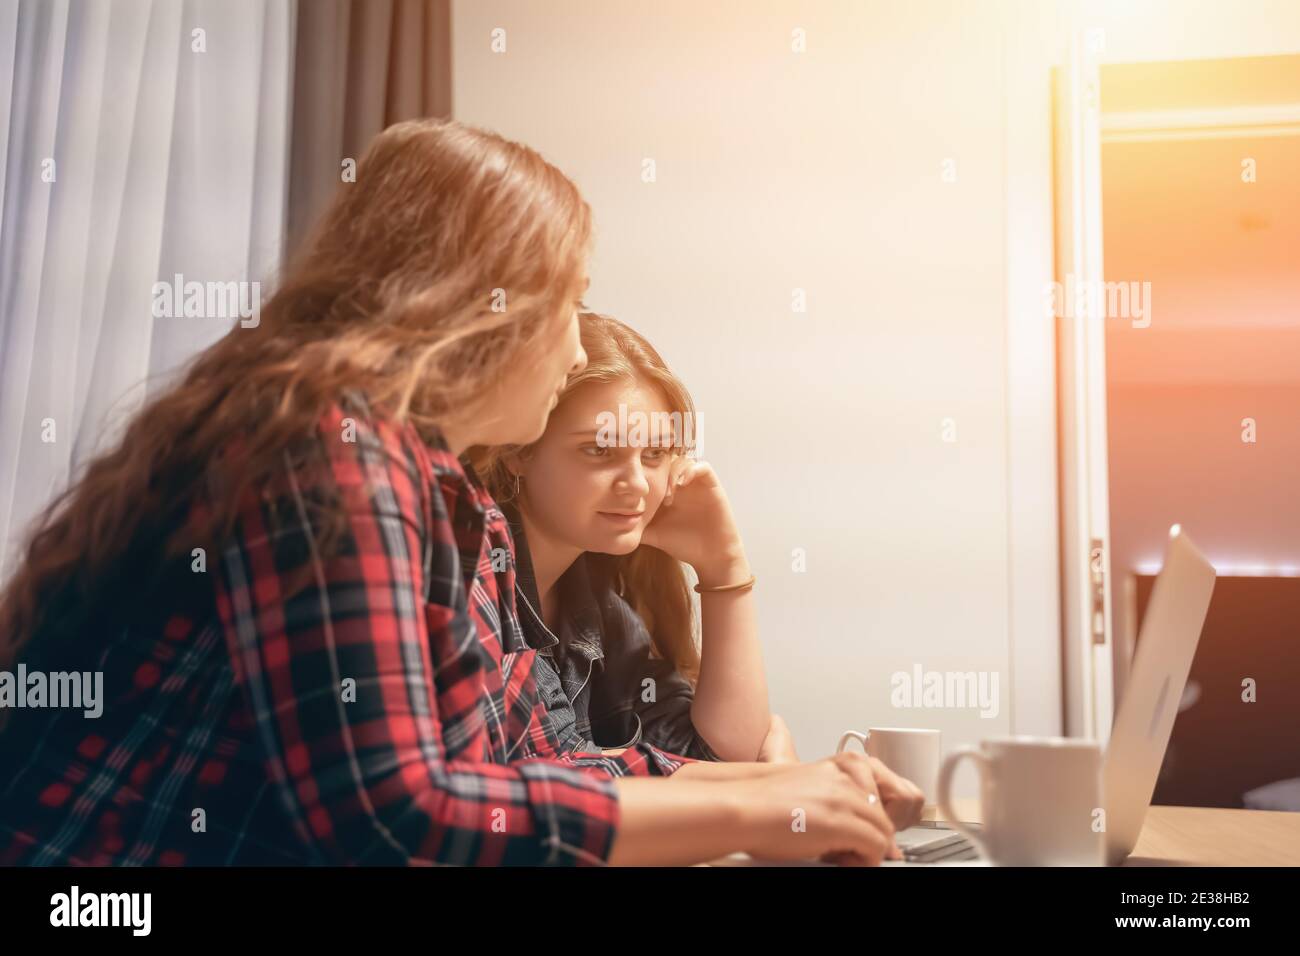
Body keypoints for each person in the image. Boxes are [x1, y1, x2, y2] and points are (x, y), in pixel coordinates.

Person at [0, 119, 915, 866]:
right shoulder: (330, 453)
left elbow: (527, 764)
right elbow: (397, 812)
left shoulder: (443, 497)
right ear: (486, 308)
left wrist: (786, 790)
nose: (569, 351)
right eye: (564, 307)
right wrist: (758, 817)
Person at [474, 312, 794, 765]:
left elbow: (722, 753)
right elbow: (573, 781)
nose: (638, 484)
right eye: (599, 450)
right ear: (519, 450)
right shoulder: (477, 577)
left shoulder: (605, 613)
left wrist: (724, 568)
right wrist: (771, 785)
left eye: (655, 453)